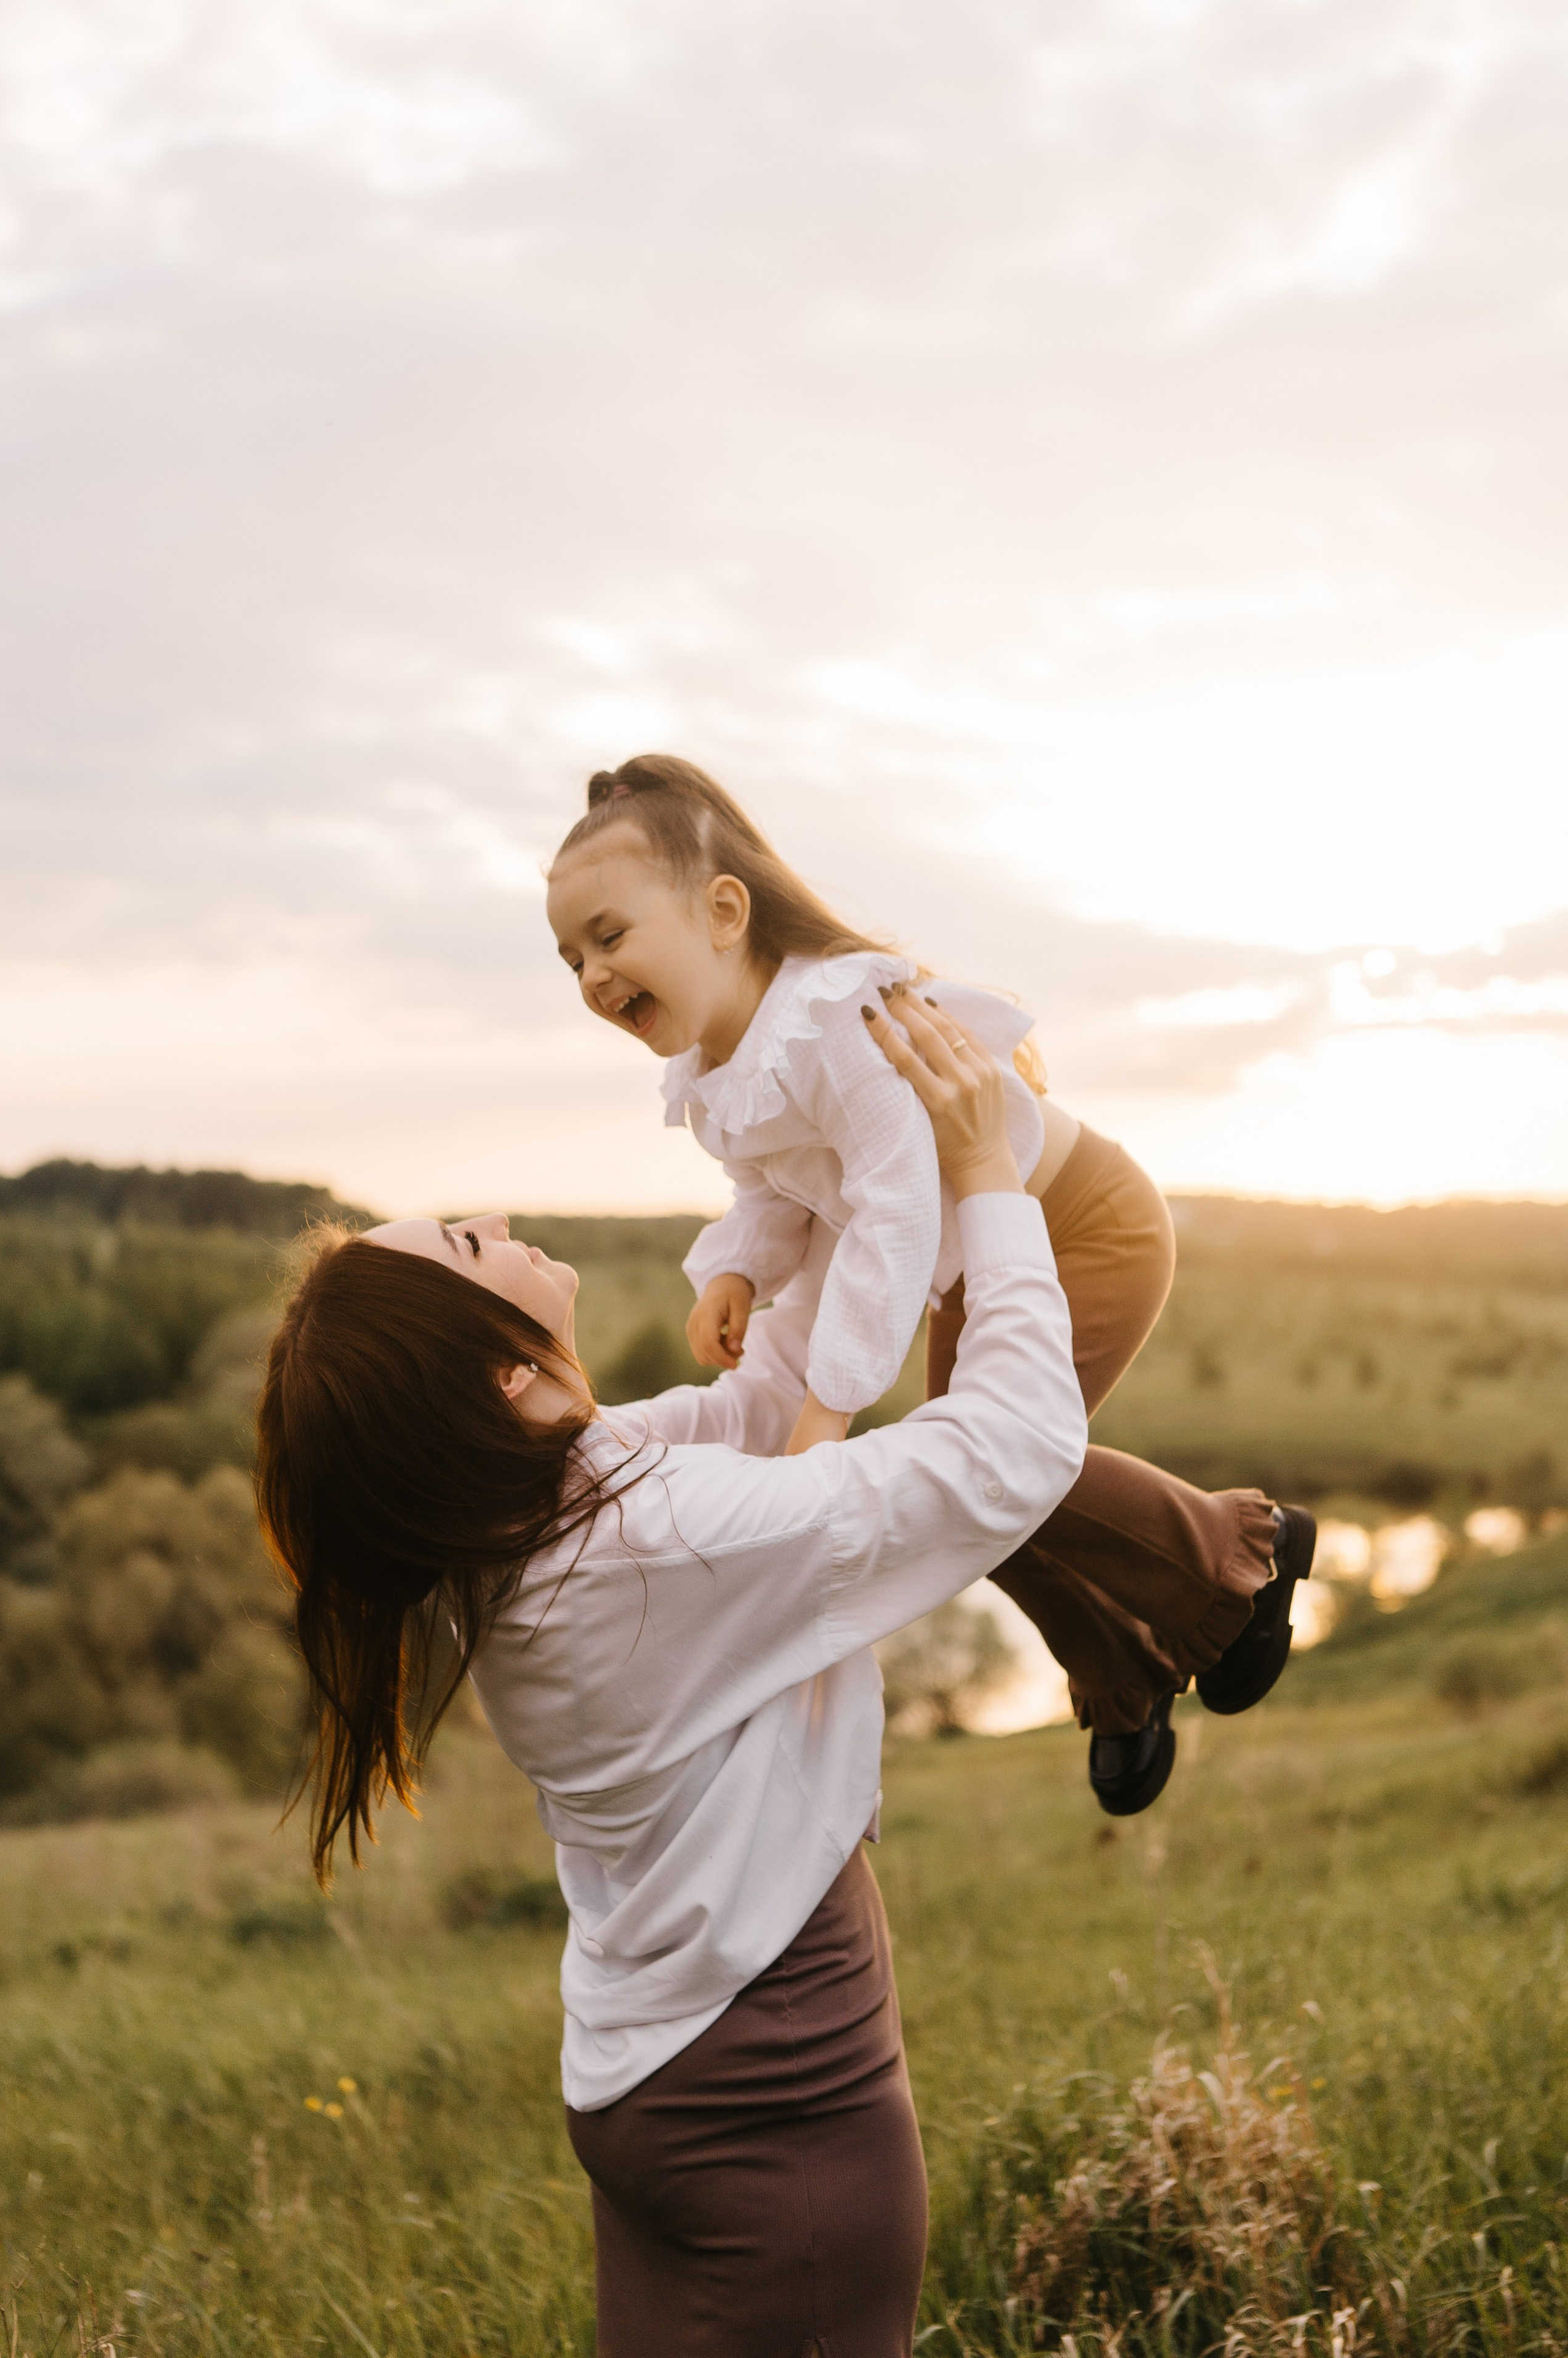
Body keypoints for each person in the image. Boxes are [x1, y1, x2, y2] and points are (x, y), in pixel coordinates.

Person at [257, 1000, 1085, 2357]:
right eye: (471, 1243)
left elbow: (767, 1407)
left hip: (648, 2079)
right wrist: (988, 1178)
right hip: (773, 2093)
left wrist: (859, 1172)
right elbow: (1012, 1448)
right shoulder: (651, 1536)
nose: (498, 1218)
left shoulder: (544, 1516)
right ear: (511, 1379)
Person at [545, 754, 1316, 1816]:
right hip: (987, 1257)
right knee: (982, 1495)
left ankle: (1241, 1557)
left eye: (612, 936)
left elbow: (896, 1215)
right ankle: (1125, 1677)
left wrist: (831, 1406)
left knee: (998, 1471)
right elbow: (778, 1190)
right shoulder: (724, 1069)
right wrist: (734, 1266)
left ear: (725, 912)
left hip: (1082, 1224)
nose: (591, 975)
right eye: (571, 956)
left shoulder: (834, 1025)